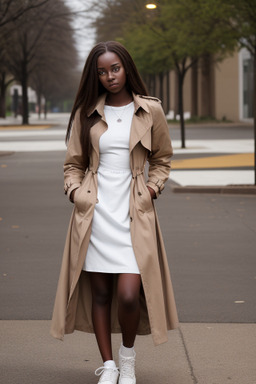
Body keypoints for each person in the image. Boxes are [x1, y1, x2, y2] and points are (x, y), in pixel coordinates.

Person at [51, 41, 179, 384]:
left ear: (127, 68)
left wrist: (152, 188)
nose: (110, 76)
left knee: (127, 294)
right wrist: (76, 193)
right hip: (95, 213)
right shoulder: (86, 113)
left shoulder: (150, 110)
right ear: (96, 76)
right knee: (102, 293)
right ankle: (108, 365)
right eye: (102, 71)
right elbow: (73, 165)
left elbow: (163, 160)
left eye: (115, 68)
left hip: (134, 212)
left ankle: (127, 359)